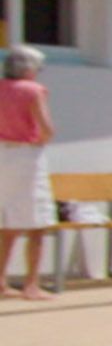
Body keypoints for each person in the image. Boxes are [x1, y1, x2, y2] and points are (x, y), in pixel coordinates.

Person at [0, 45, 54, 300]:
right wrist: (42, 139)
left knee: (6, 222)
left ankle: (1, 280)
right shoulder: (33, 91)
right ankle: (31, 284)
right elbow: (45, 126)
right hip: (26, 156)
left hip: (2, 155)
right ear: (29, 68)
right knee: (36, 224)